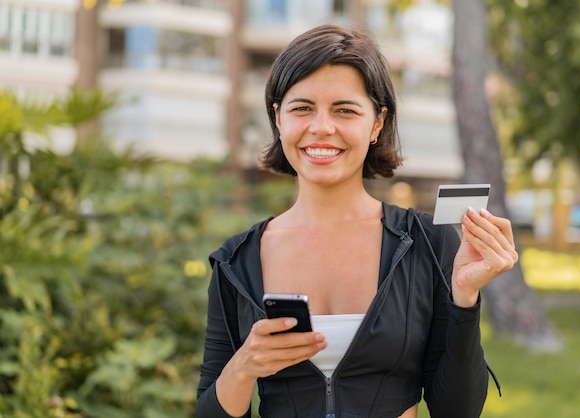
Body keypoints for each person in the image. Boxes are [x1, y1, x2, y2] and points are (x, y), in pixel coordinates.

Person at [196, 24, 518, 418]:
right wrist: (245, 366)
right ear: (278, 119)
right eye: (302, 108)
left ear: (377, 123)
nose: (321, 127)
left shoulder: (428, 243)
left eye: (345, 110)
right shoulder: (235, 260)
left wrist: (465, 298)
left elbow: (457, 410)